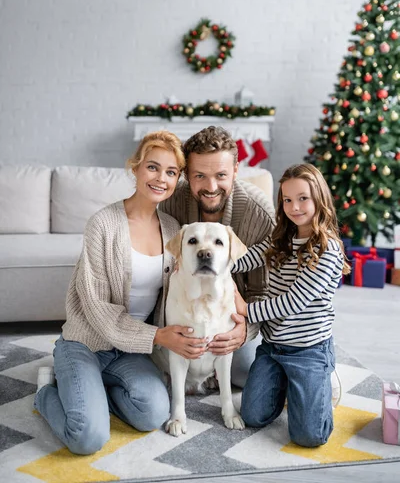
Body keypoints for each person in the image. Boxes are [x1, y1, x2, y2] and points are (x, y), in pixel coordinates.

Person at [34, 131, 208, 456]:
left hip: (130, 351)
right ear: (136, 168)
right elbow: (98, 308)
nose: (161, 178)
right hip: (86, 343)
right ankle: (47, 391)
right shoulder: (102, 224)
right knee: (87, 437)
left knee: (153, 414)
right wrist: (159, 336)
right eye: (153, 167)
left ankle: (92, 392)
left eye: (171, 172)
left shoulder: (173, 231)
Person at [232, 163, 350, 448]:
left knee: (310, 437)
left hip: (309, 350)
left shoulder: (327, 248)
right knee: (252, 416)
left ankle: (320, 381)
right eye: (287, 200)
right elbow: (244, 260)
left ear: (319, 198)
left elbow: (293, 302)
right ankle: (289, 386)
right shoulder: (280, 239)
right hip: (273, 348)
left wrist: (245, 308)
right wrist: (212, 265)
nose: (294, 207)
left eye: (303, 198)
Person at [159, 125, 276, 387]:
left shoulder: (259, 214)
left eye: (221, 175)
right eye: (199, 176)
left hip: (231, 318)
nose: (211, 187)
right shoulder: (170, 205)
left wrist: (245, 330)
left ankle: (312, 370)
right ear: (187, 174)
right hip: (184, 312)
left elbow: (267, 289)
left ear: (235, 171)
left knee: (245, 376)